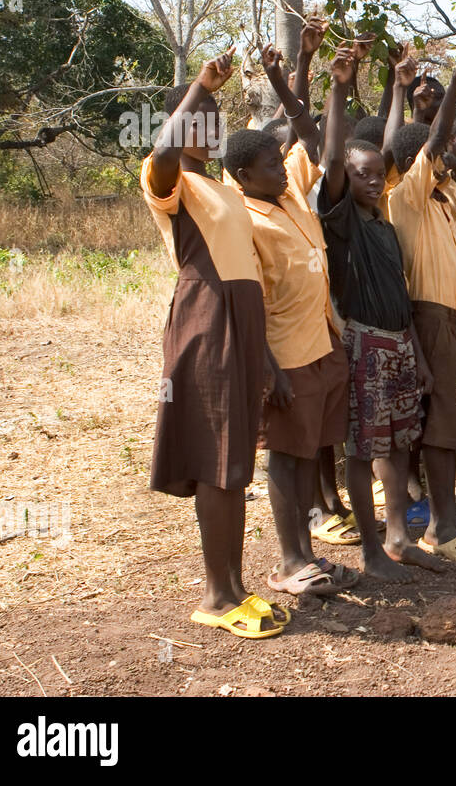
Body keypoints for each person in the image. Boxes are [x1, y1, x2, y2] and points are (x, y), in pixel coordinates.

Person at [142, 48, 285, 638]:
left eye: (212, 115)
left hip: (244, 319)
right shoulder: (168, 181)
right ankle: (217, 594)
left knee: (235, 462)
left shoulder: (224, 187)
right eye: (196, 115)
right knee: (216, 460)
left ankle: (236, 586)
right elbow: (164, 152)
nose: (208, 124)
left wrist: (267, 356)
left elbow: (247, 262)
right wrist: (201, 86)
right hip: (207, 318)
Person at [227, 77, 358, 597]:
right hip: (285, 356)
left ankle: (307, 553)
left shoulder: (290, 197)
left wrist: (337, 90)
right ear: (243, 176)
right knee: (284, 454)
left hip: (322, 345)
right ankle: (288, 562)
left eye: (281, 164)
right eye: (270, 167)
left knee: (308, 452)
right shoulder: (242, 218)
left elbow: (315, 141)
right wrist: (268, 368)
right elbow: (250, 301)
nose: (282, 170)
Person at [318, 39, 440, 580]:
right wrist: (342, 89)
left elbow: (401, 296)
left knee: (396, 444)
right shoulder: (339, 220)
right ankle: (369, 549)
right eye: (360, 174)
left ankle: (398, 537)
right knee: (363, 450)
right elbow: (331, 160)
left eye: (376, 174)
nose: (371, 179)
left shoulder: (384, 224)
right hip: (364, 345)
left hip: (398, 345)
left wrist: (418, 355)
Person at [381, 42, 456, 563]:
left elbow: (448, 161)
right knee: (439, 424)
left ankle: (444, 520)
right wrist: (455, 83)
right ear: (417, 164)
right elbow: (433, 145)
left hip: (451, 322)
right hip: (428, 317)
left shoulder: (446, 199)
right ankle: (441, 526)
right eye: (437, 157)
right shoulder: (405, 196)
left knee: (450, 422)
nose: (447, 159)